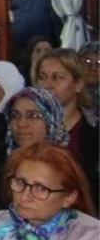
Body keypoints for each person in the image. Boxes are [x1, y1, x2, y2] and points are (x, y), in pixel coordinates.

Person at [0, 87, 71, 231]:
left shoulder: (66, 164)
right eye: (15, 115)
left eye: (33, 116)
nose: (21, 123)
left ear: (51, 120)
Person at [35, 48, 99, 178]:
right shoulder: (21, 125)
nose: (47, 85)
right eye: (42, 77)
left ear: (78, 84)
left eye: (57, 77)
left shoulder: (94, 135)